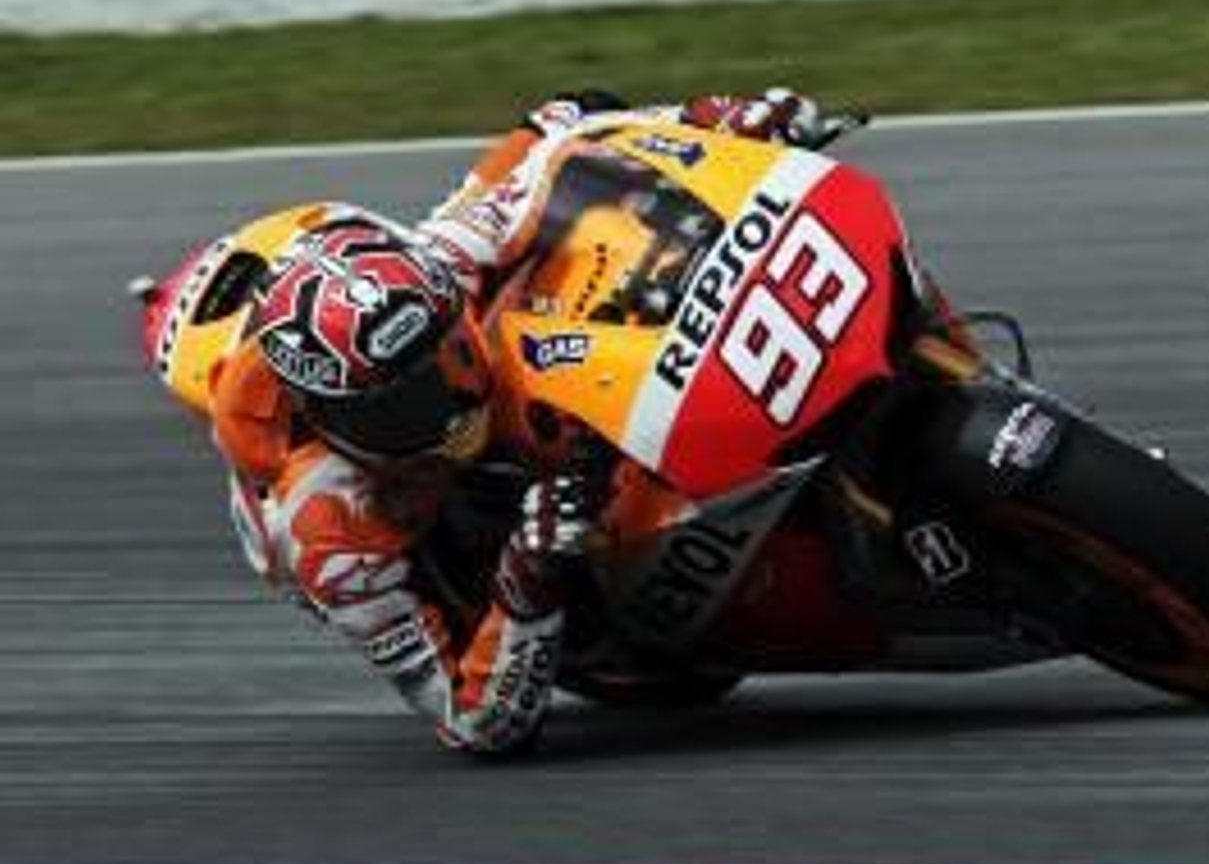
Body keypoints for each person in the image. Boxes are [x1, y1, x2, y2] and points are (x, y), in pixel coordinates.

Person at [138, 88, 833, 753]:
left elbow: (568, 136)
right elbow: (472, 722)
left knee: (584, 111)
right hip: (437, 533)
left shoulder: (448, 257)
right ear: (333, 415)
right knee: (496, 549)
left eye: (448, 355)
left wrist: (713, 121)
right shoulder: (329, 528)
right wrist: (525, 580)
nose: (447, 402)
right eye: (399, 405)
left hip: (438, 287)